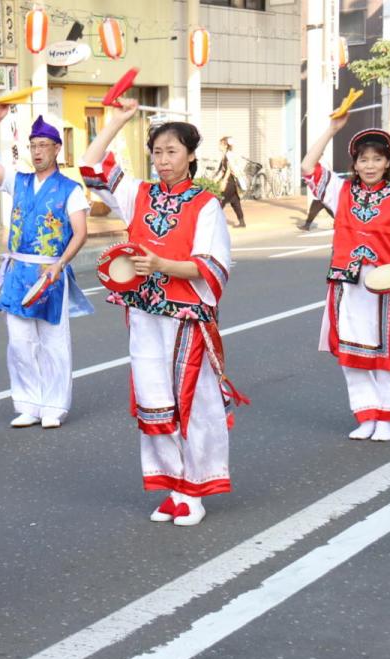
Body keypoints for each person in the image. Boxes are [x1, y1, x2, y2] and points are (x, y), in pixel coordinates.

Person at [80, 99, 241, 527]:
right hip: (145, 315)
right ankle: (172, 485)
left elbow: (212, 266)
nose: (163, 160)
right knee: (154, 400)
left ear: (190, 155)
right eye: (157, 152)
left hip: (186, 318)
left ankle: (196, 488)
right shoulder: (138, 194)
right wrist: (116, 120)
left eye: (172, 151)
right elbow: (91, 166)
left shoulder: (205, 204)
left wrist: (162, 265)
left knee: (195, 401)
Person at [301, 116, 390, 442]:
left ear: (388, 162)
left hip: (386, 286)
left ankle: (386, 417)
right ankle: (367, 414)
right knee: (353, 353)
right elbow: (307, 166)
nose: (370, 165)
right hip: (348, 285)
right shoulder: (340, 191)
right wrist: (330, 129)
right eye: (363, 159)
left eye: (377, 159)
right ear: (354, 163)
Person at [0, 109, 93, 429]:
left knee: (53, 343)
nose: (37, 151)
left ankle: (54, 405)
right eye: (33, 145)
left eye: (44, 145)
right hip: (18, 272)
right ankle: (28, 404)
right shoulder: (18, 181)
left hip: (49, 274)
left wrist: (59, 265)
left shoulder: (70, 189)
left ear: (56, 149)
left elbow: (80, 232)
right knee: (20, 344)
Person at [212, 136, 248, 228]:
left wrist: (224, 181)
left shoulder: (229, 155)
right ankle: (242, 222)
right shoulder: (225, 155)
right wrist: (215, 180)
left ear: (225, 145)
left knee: (220, 200)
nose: (219, 146)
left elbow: (229, 169)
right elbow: (222, 170)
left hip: (230, 182)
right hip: (232, 182)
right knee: (235, 201)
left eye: (220, 144)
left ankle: (215, 222)